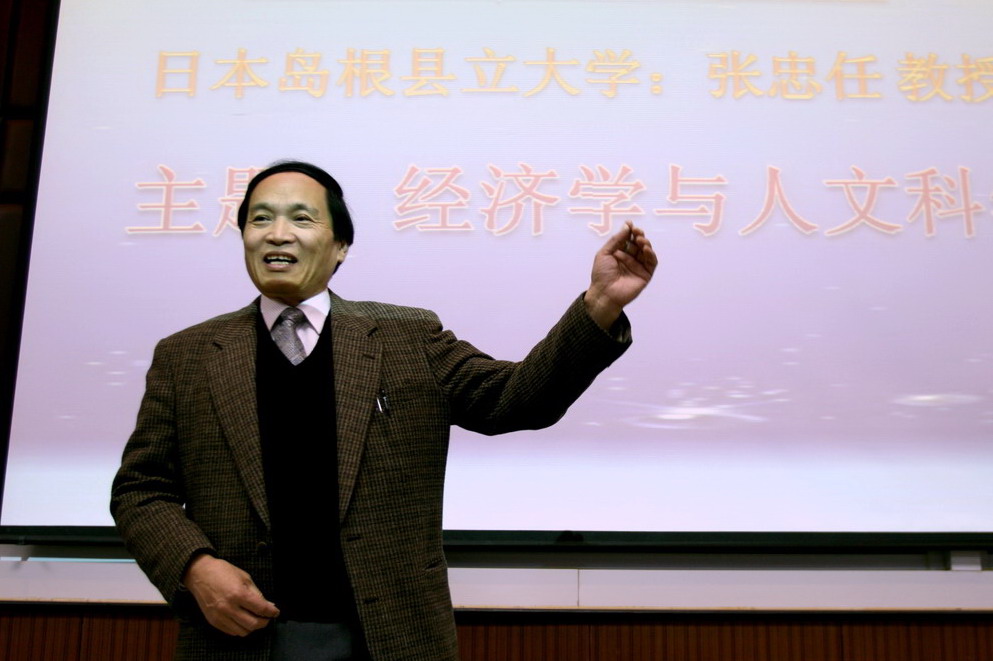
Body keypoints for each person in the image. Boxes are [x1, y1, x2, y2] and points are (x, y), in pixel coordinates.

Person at [111, 160, 657, 661]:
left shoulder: (407, 337)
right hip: (237, 640)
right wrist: (195, 567)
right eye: (260, 219)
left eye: (301, 218)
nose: (277, 233)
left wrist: (601, 304)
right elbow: (140, 490)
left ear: (340, 246)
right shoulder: (187, 356)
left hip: (391, 638)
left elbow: (515, 399)